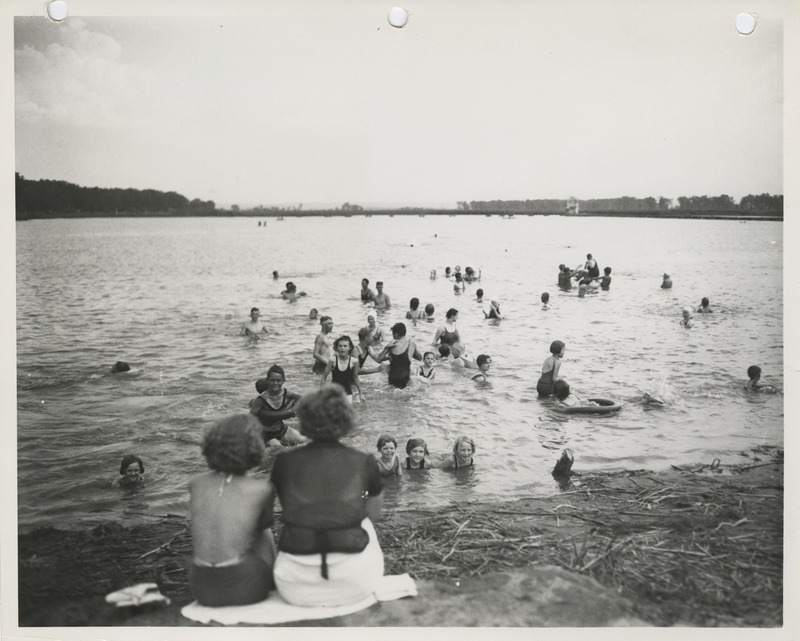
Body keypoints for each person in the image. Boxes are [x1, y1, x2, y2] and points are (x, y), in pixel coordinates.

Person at [268, 386, 384, 607]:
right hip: (355, 584)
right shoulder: (364, 461)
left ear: (305, 420)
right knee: (366, 524)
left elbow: (272, 515)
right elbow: (373, 514)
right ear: (346, 420)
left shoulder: (284, 462)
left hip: (294, 586)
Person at [188, 414, 276, 607]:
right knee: (264, 531)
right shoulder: (261, 489)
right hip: (243, 587)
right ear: (255, 448)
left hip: (201, 587)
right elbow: (261, 527)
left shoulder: (195, 484)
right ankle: (272, 585)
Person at [249, 366, 306, 446]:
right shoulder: (261, 400)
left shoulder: (286, 393)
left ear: (283, 381)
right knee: (280, 450)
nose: (275, 383)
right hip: (266, 435)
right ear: (268, 381)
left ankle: (283, 441)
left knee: (305, 440)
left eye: (278, 380)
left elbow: (301, 399)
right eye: (272, 380)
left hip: (281, 430)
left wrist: (293, 410)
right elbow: (250, 418)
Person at [375, 322, 421, 389]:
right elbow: (420, 358)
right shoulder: (411, 344)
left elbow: (379, 359)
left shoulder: (391, 344)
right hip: (405, 380)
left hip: (392, 380)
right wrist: (410, 353)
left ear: (396, 334)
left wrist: (386, 348)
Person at [321, 335, 364, 403]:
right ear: (337, 348)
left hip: (348, 394)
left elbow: (355, 378)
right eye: (340, 346)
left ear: (349, 348)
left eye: (345, 346)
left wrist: (361, 393)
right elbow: (324, 377)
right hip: (333, 393)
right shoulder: (333, 360)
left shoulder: (354, 361)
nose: (342, 348)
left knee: (347, 413)